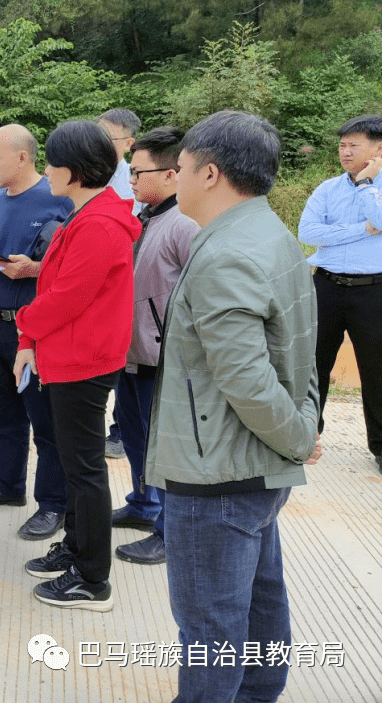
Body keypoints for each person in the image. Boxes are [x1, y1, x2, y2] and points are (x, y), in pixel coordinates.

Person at [146, 111, 322, 701]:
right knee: (258, 608)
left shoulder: (226, 255)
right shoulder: (273, 235)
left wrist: (298, 438)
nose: (176, 177)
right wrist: (304, 427)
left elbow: (247, 380)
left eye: (182, 167)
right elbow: (302, 352)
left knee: (212, 632)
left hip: (216, 472)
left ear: (211, 173)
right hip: (254, 466)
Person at [14, 119, 140, 612]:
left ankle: (93, 579)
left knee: (85, 470)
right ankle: (76, 546)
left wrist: (25, 324)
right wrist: (30, 337)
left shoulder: (100, 224)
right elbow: (56, 284)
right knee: (73, 464)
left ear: (73, 171)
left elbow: (66, 297)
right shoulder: (87, 214)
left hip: (82, 361)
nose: (45, 170)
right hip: (67, 354)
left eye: (50, 161)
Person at [0, 124, 71, 542]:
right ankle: (9, 486)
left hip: (38, 328)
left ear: (22, 158)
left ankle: (53, 504)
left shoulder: (58, 200)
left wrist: (36, 268)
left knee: (45, 421)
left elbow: (73, 265)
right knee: (4, 413)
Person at [111, 127, 199, 566]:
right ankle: (143, 506)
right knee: (134, 436)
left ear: (170, 174)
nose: (131, 181)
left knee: (163, 447)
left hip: (162, 359)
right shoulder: (144, 217)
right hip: (130, 353)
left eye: (138, 172)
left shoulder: (184, 224)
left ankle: (170, 532)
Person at [298, 114, 382, 474]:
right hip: (326, 286)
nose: (345, 152)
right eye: (342, 144)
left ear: (378, 149)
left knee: (376, 371)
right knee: (310, 365)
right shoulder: (328, 189)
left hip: (374, 291)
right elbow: (309, 231)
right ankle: (304, 437)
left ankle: (379, 447)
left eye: (354, 145)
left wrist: (366, 187)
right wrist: (364, 229)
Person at [96, 108, 141, 460]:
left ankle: (120, 431)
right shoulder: (85, 173)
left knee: (127, 358)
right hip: (89, 277)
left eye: (108, 138)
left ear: (129, 143)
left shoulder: (135, 180)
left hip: (127, 277)